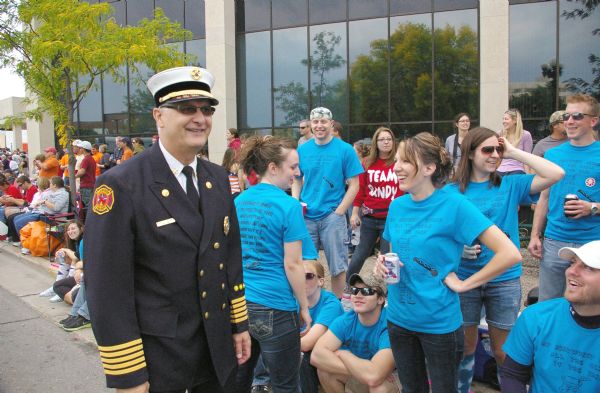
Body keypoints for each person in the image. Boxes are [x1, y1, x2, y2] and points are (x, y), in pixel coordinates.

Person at [85, 66, 250, 393]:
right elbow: (107, 287)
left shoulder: (217, 178)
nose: (200, 118)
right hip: (160, 356)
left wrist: (237, 323)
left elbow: (230, 258)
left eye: (207, 110)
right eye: (187, 109)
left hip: (216, 346)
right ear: (159, 116)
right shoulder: (121, 184)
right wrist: (128, 374)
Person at [374, 132, 521, 393]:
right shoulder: (397, 206)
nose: (396, 167)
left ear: (429, 168)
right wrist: (381, 263)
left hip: (438, 324)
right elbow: (393, 252)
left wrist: (466, 284)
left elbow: (509, 253)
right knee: (411, 389)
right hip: (398, 318)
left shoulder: (454, 204)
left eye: (405, 161)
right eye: (396, 160)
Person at [447, 127, 564, 393]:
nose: (494, 155)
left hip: (504, 279)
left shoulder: (510, 184)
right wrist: (458, 249)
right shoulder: (452, 191)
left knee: (503, 351)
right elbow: (442, 233)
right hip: (465, 277)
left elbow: (556, 173)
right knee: (465, 347)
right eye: (487, 150)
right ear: (470, 153)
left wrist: (514, 152)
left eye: (497, 149)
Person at [233, 135, 311, 393]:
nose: (297, 173)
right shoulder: (288, 206)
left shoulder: (238, 201)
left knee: (239, 380)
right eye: (292, 167)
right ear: (273, 167)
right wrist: (304, 306)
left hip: (241, 304)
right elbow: (293, 264)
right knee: (286, 385)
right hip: (276, 305)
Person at [501, 240, 600, 393]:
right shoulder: (536, 317)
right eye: (572, 263)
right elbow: (512, 374)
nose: (571, 271)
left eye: (588, 267)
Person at [528, 93, 600, 301]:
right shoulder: (553, 155)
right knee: (549, 304)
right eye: (566, 116)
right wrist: (534, 236)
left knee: (591, 305)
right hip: (555, 242)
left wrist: (592, 207)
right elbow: (544, 198)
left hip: (593, 243)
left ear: (593, 121)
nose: (569, 121)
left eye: (577, 116)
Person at [292, 107, 364, 298]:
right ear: (310, 125)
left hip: (333, 215)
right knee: (306, 264)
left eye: (323, 121)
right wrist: (295, 202)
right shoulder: (303, 150)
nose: (319, 125)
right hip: (307, 216)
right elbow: (297, 179)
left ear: (331, 124)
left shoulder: (345, 150)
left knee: (338, 266)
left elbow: (355, 185)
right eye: (315, 122)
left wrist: (339, 212)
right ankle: (308, 306)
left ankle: (338, 306)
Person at [311, 272, 398, 393]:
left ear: (381, 299)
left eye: (366, 291)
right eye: (354, 290)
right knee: (325, 370)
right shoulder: (347, 320)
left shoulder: (389, 325)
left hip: (393, 378)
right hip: (362, 371)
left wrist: (343, 354)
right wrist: (364, 371)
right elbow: (316, 356)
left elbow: (374, 377)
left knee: (379, 388)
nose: (358, 295)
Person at [347, 127, 402, 282]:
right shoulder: (367, 163)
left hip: (390, 219)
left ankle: (388, 295)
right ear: (375, 143)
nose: (386, 142)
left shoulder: (398, 163)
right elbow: (361, 190)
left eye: (389, 139)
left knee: (387, 258)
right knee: (359, 255)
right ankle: (347, 287)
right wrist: (354, 213)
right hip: (369, 218)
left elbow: (404, 190)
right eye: (382, 139)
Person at [300, 259, 344, 393]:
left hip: (335, 357)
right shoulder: (293, 301)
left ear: (321, 281)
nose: (302, 281)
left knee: (301, 356)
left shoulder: (330, 303)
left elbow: (307, 343)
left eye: (308, 276)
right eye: (298, 276)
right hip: (312, 354)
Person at [497, 109, 533, 175]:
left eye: (506, 119)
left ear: (515, 120)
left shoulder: (525, 135)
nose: (503, 121)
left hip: (518, 170)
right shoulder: (500, 134)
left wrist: (528, 177)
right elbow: (498, 156)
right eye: (503, 119)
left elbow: (527, 158)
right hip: (501, 170)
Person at [75, 141, 96, 210]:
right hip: (90, 184)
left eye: (80, 148)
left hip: (86, 185)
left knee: (88, 206)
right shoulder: (91, 158)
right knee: (89, 204)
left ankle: (89, 220)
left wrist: (74, 176)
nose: (79, 149)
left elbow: (82, 171)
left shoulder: (86, 159)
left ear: (83, 149)